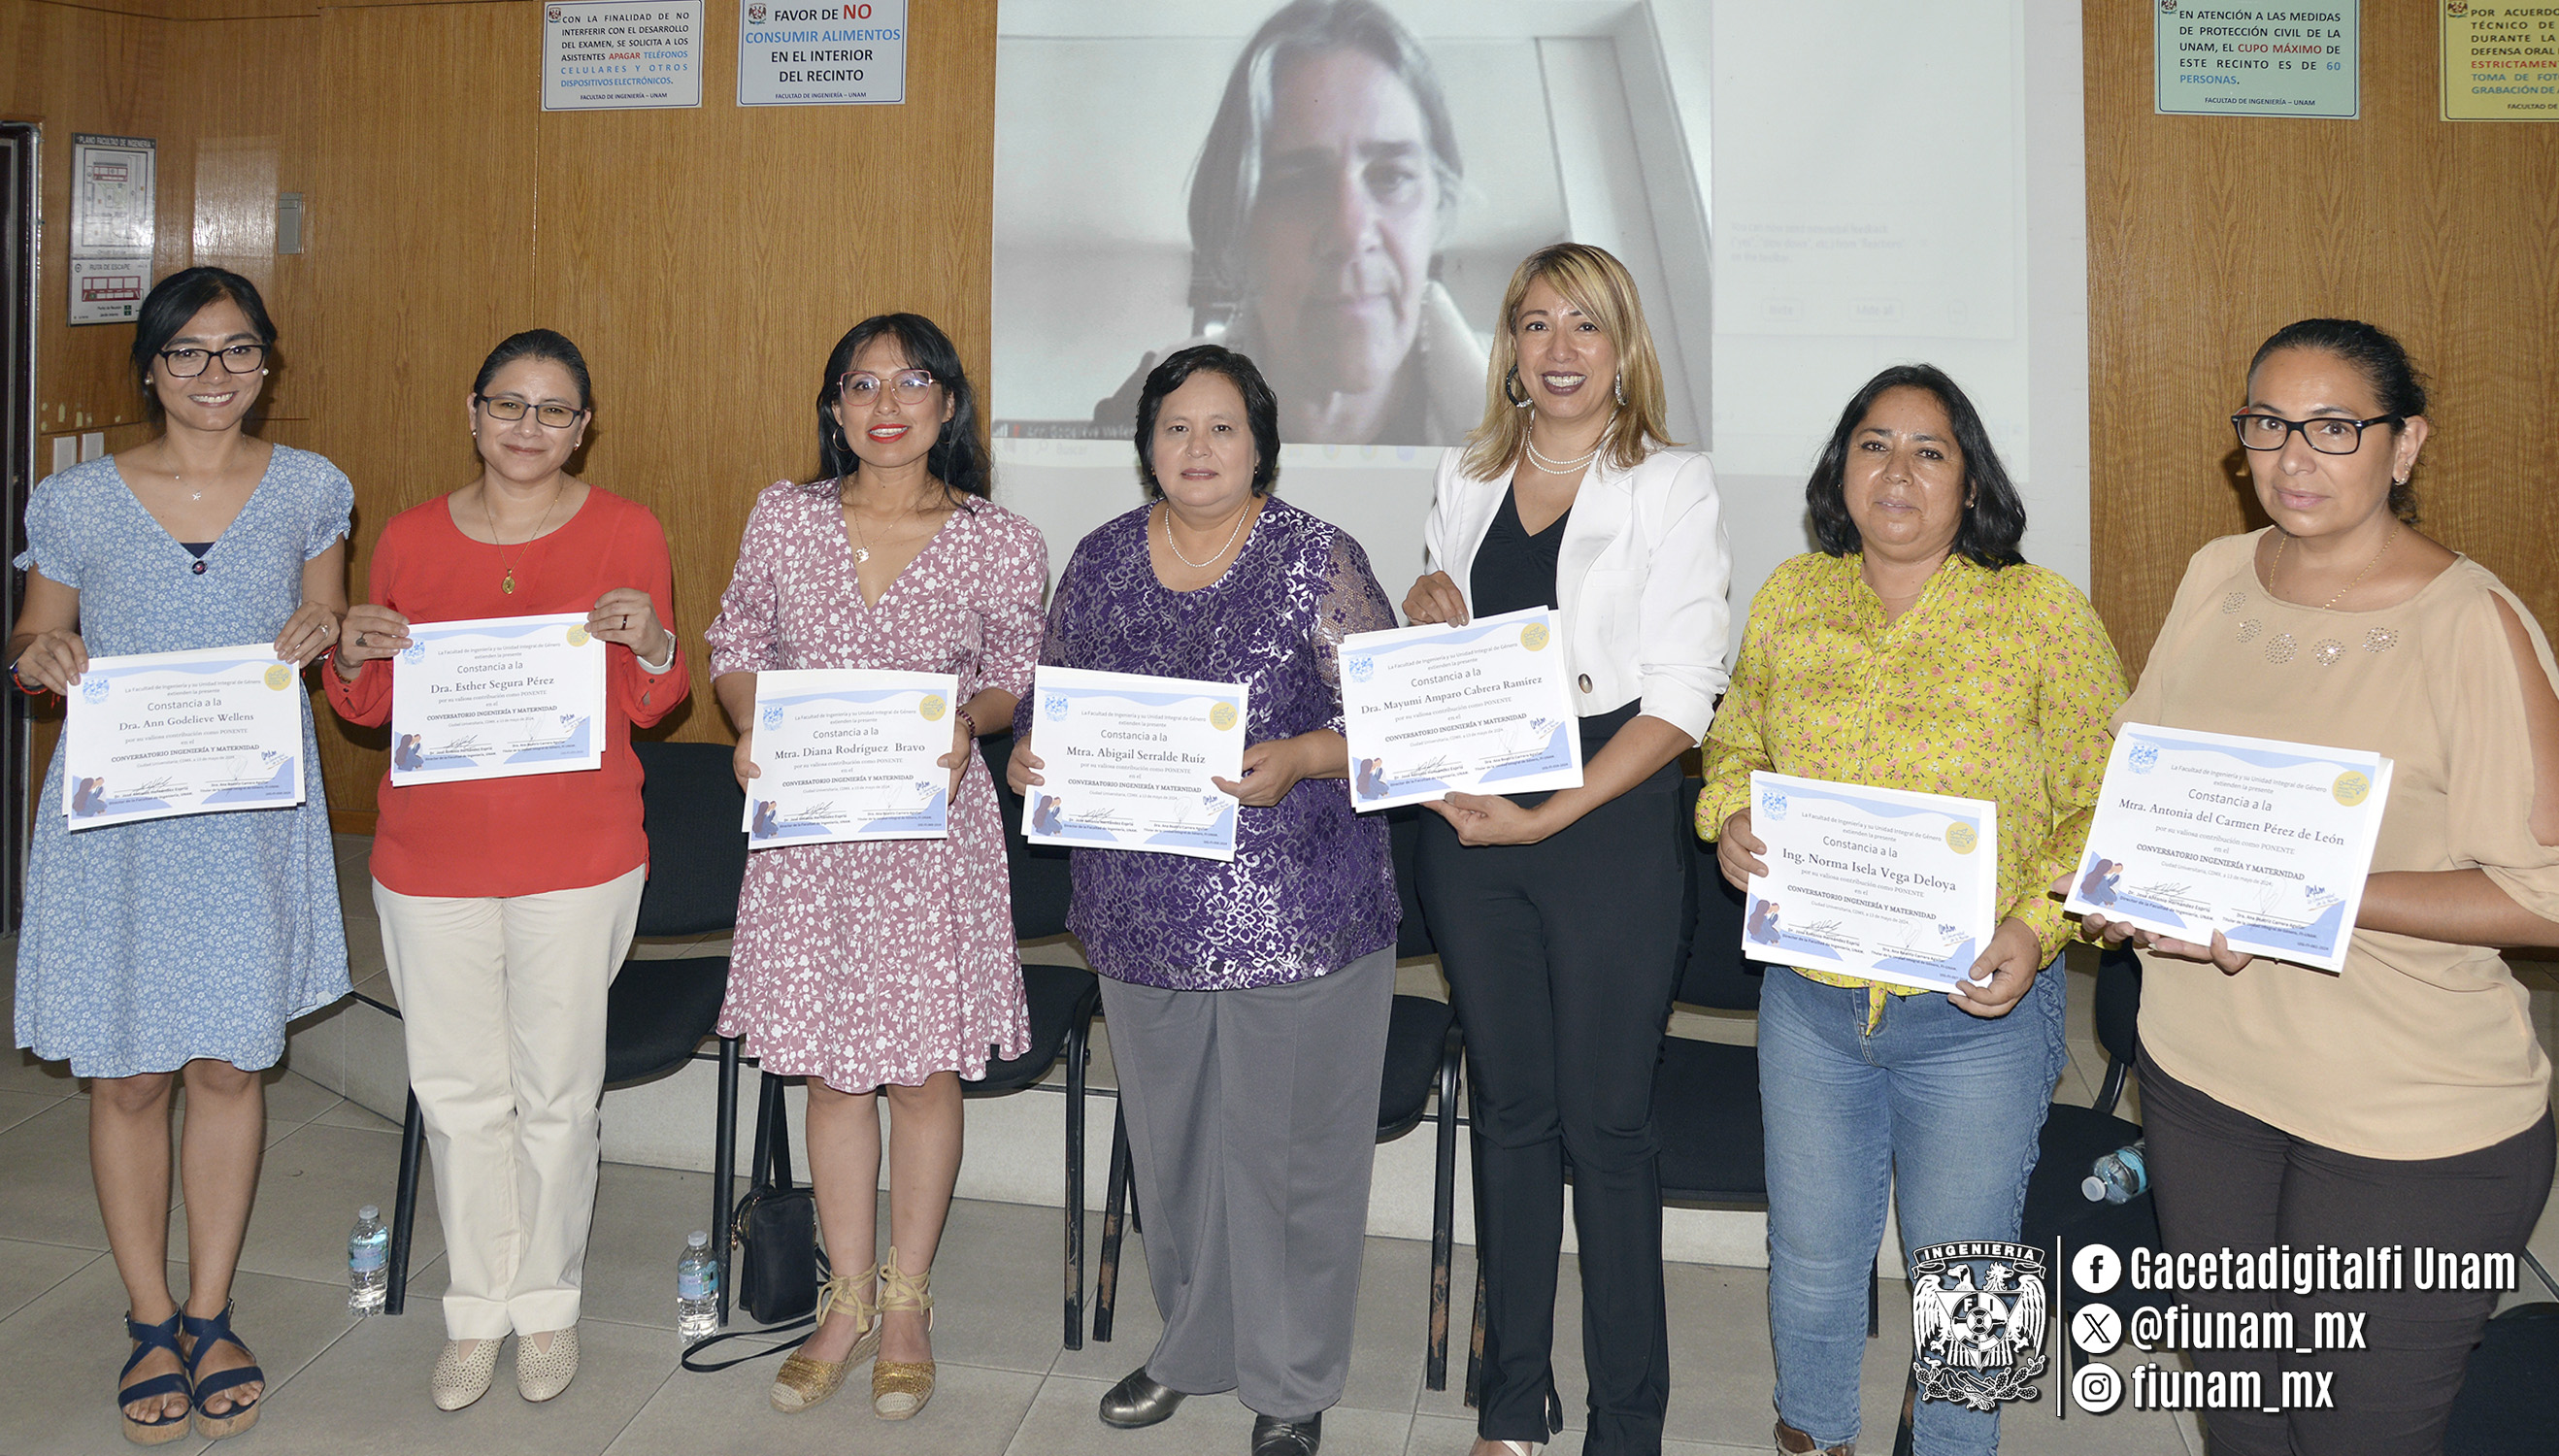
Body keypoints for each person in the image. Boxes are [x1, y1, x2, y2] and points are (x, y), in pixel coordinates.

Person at [2077, 318, 2559, 1456]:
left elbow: (2544, 895)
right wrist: (2121, 887)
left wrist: (2301, 893)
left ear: (2403, 446)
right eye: (2266, 425)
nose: (2293, 457)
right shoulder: (2212, 573)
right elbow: (2149, 789)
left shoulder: (2467, 624)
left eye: (2334, 427)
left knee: (2353, 1436)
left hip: (2403, 1114)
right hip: (2201, 1078)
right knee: (2242, 1418)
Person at [1697, 363, 2124, 1456]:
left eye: (1928, 450)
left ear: (1969, 482)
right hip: (1811, 1003)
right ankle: (1815, 1437)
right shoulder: (1792, 596)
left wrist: (2036, 926)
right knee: (1810, 1258)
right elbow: (1734, 733)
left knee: (1971, 1284)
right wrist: (1732, 816)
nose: (1897, 471)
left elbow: (2102, 806)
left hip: (1973, 1016)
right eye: (1872, 445)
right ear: (1839, 471)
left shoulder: (2039, 615)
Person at [1011, 345, 1399, 1456]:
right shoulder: (1094, 562)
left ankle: (1289, 1382)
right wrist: (1029, 762)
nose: (1197, 449)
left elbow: (1388, 725)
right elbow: (1048, 711)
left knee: (1288, 1163)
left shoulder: (1315, 559)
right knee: (1173, 1153)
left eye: (1221, 428)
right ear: (1145, 445)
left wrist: (1301, 758)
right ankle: (1192, 1344)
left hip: (1301, 914)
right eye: (1176, 428)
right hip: (1139, 916)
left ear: (1259, 444)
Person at [10, 266, 349, 1446]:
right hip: (121, 820)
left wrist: (327, 632)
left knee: (226, 1069)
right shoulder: (82, 499)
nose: (218, 376)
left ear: (268, 363)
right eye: (191, 353)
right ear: (149, 367)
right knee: (127, 1075)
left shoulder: (309, 487)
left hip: (245, 817)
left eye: (240, 351)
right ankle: (148, 1316)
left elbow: (328, 627)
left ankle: (211, 1308)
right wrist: (40, 657)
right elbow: (35, 632)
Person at [1402, 242, 1731, 1456]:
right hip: (1473, 818)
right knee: (1510, 1112)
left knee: (1607, 1126)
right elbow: (1447, 651)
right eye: (1534, 324)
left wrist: (1551, 813)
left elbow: (1684, 693)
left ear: (1623, 346)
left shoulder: (1670, 480)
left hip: (1608, 817)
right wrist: (1422, 606)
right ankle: (1509, 1400)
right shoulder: (1465, 469)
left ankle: (1627, 1420)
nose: (1557, 349)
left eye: (1583, 325)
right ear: (1508, 348)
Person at [326, 329, 686, 1411]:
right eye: (508, 406)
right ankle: (476, 1308)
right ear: (473, 411)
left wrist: (658, 645)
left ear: (585, 425)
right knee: (456, 1092)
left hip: (576, 858)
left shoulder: (627, 528)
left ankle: (547, 1304)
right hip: (429, 859)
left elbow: (651, 702)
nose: (527, 429)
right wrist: (352, 652)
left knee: (558, 1097)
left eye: (553, 410)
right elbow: (370, 708)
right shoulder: (407, 537)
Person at [707, 314, 1047, 1424]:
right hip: (809, 836)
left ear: (948, 405)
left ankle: (907, 1300)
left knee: (919, 1073)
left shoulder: (999, 537)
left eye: (911, 382)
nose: (885, 403)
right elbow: (734, 646)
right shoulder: (783, 516)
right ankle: (842, 1303)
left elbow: (1010, 678)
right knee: (833, 1074)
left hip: (929, 837)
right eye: (859, 383)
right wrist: (748, 723)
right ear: (835, 408)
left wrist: (970, 721)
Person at [1092, 0, 1484, 446]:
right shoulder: (1146, 405)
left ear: (1437, 208)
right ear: (1237, 225)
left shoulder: (1549, 421)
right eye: (1298, 183)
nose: (1351, 234)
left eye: (1391, 177)